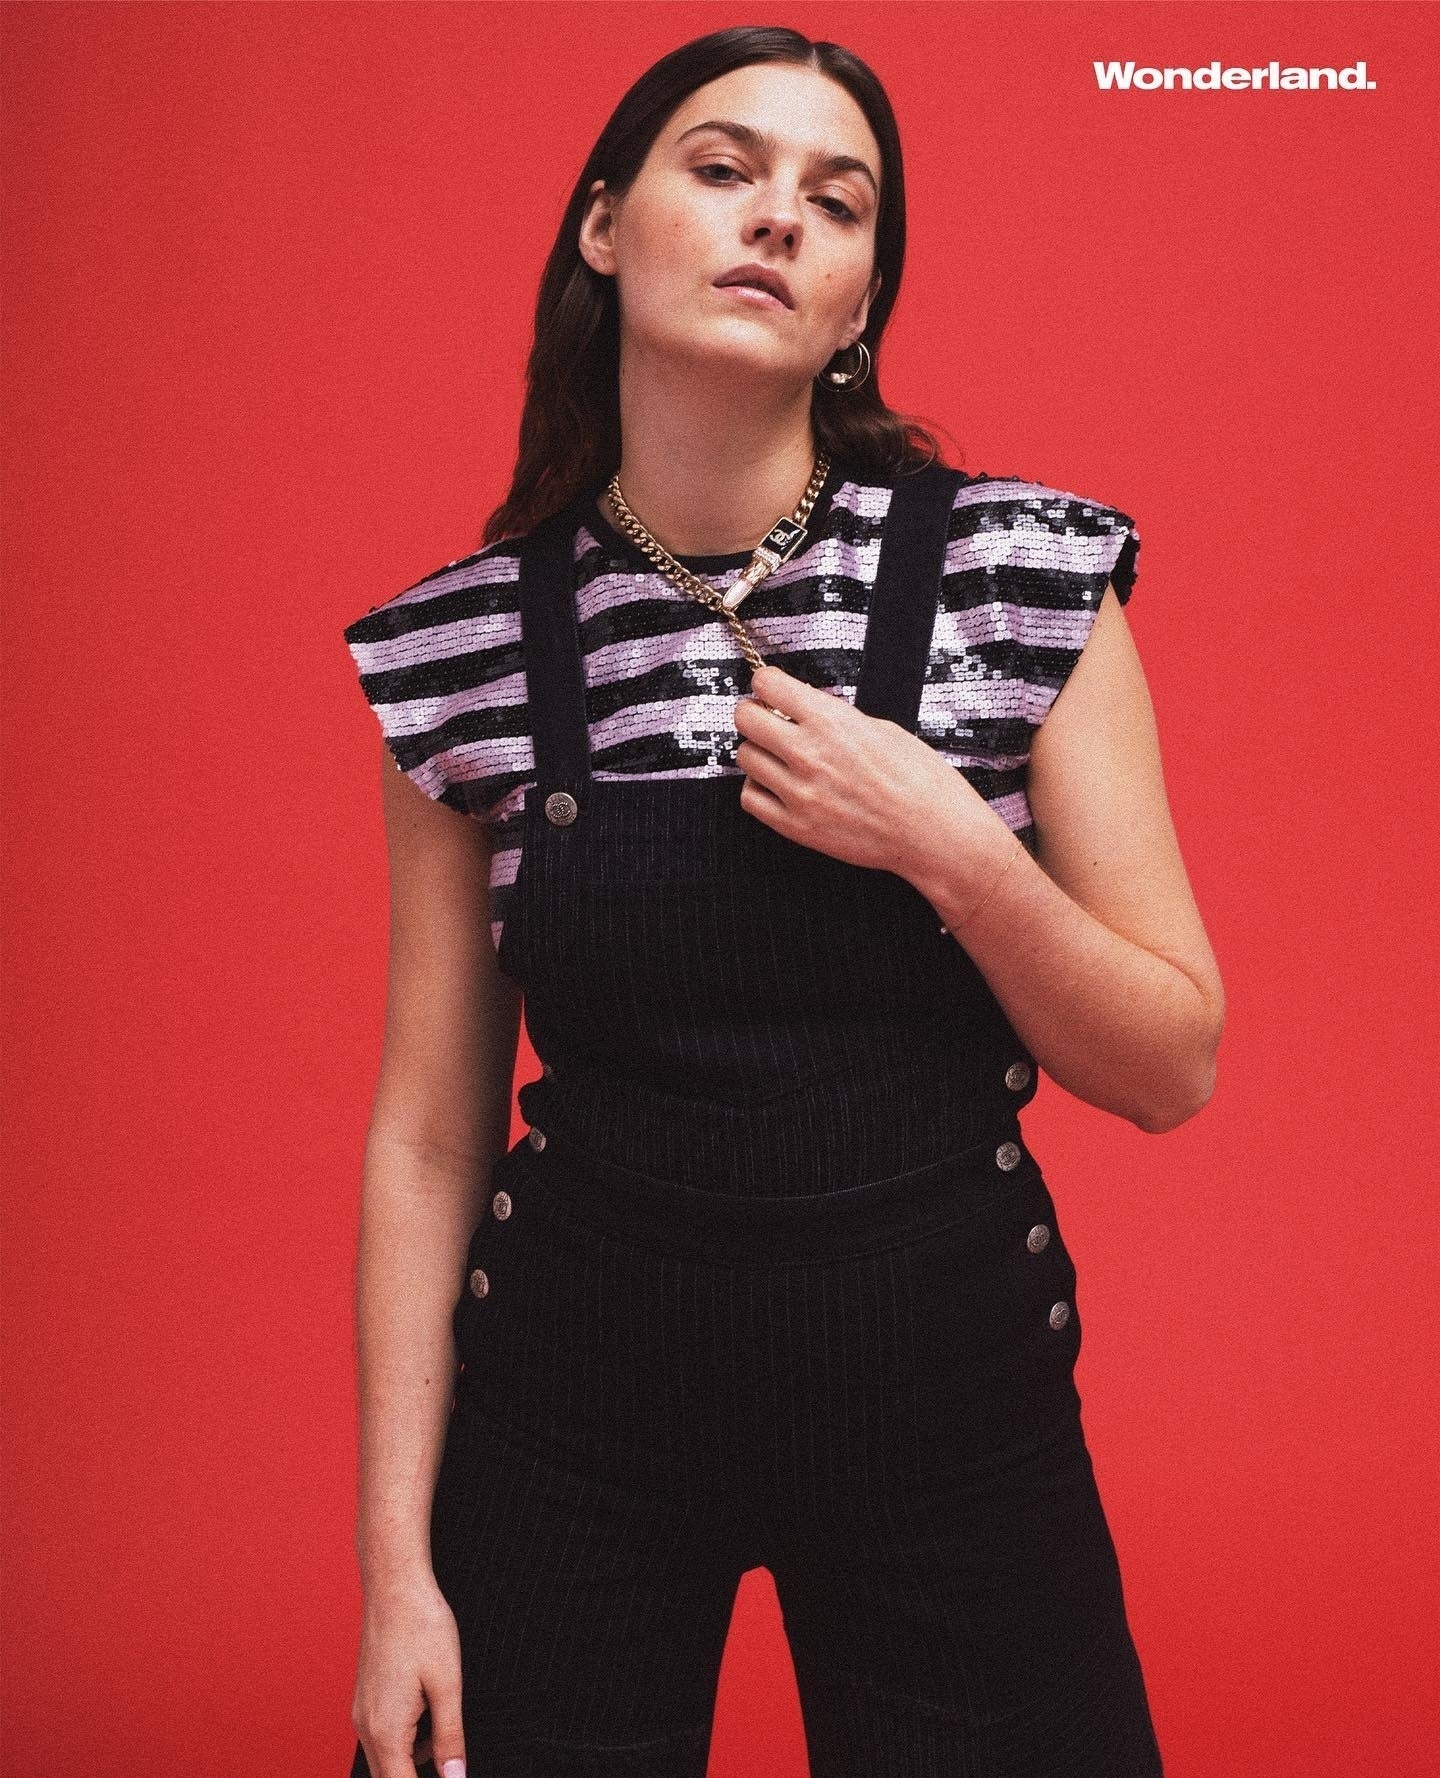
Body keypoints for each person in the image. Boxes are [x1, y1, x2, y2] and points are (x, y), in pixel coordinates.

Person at [340, 25, 1223, 1778]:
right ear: (605, 226)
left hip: (945, 1397)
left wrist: (953, 846)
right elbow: (431, 1137)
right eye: (725, 169)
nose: (779, 221)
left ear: (859, 300)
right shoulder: (467, 644)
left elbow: (1171, 1063)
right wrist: (394, 1574)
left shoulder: (1018, 573)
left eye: (838, 201)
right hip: (572, 1410)